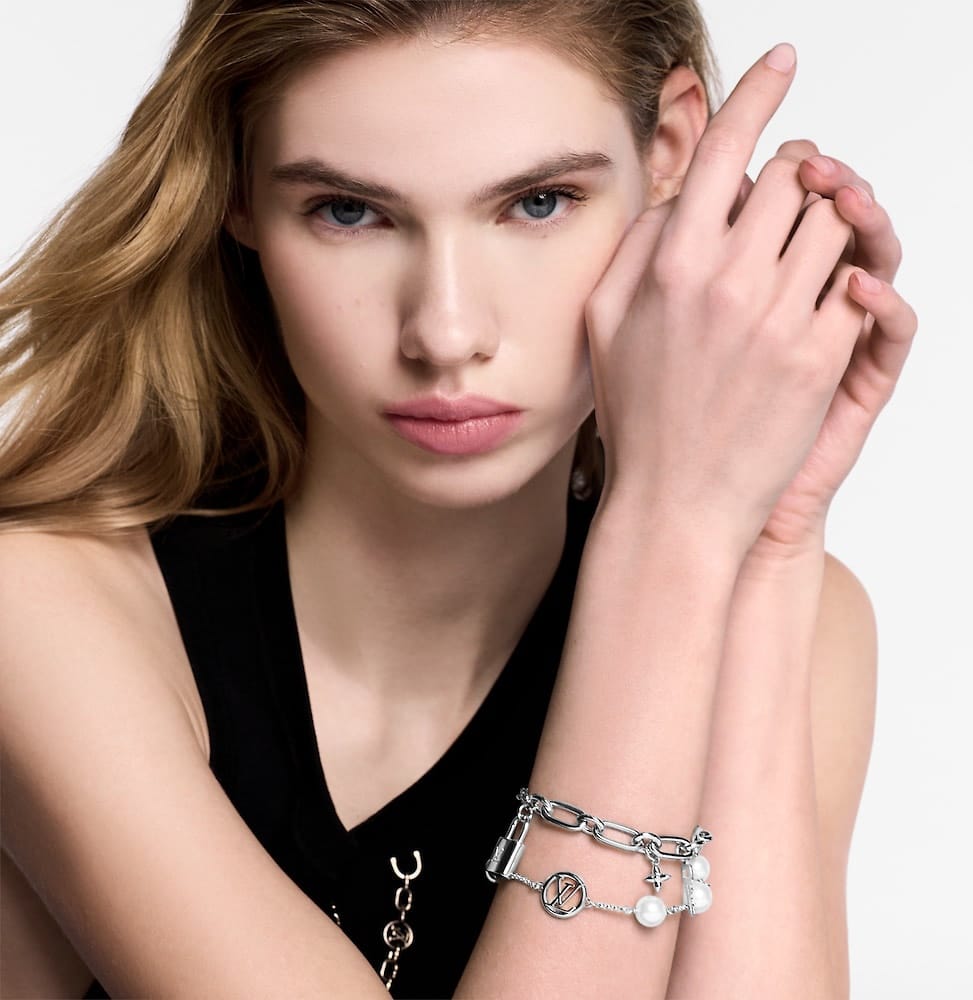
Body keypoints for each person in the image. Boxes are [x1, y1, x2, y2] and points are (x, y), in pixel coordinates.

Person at [0, 1, 917, 997]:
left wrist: (766, 545)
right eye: (348, 211)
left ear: (668, 150)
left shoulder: (799, 613)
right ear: (238, 189)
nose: (445, 332)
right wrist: (673, 522)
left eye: (538, 203)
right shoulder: (38, 609)